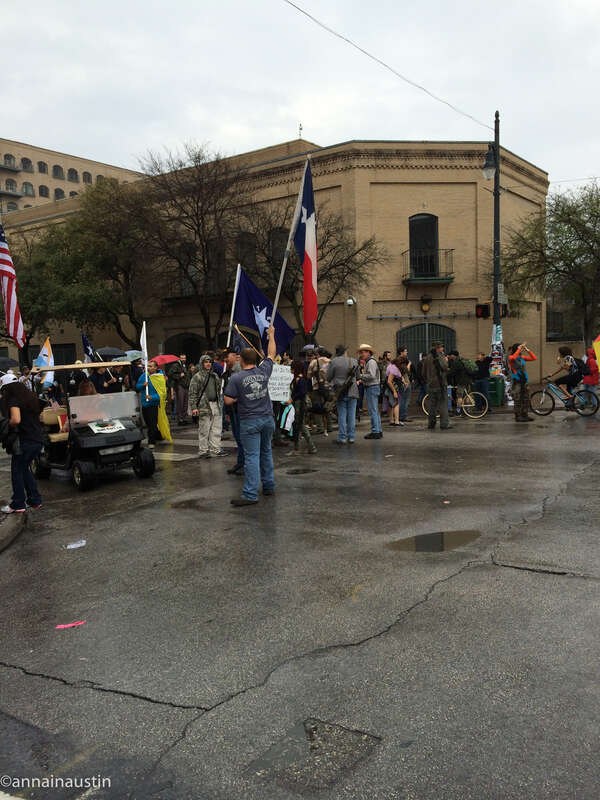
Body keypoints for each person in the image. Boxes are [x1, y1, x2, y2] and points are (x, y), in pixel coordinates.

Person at [224, 325, 277, 507]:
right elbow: (271, 354)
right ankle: (268, 485)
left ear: (242, 361)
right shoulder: (264, 370)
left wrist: (239, 396)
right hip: (267, 418)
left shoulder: (237, 378)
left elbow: (228, 400)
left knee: (252, 456)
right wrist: (271, 335)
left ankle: (250, 493)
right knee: (266, 452)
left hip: (250, 421)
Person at [0, 374, 43, 513]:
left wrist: (6, 425)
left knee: (17, 471)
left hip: (25, 441)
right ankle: (34, 500)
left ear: (7, 388)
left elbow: (16, 419)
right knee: (24, 469)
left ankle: (18, 504)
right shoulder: (29, 398)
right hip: (37, 439)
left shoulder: (13, 399)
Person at [188, 355, 226, 459]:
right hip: (204, 405)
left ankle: (215, 449)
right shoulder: (197, 377)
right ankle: (203, 450)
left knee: (216, 429)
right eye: (206, 362)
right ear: (202, 363)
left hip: (216, 404)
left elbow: (218, 390)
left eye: (209, 362)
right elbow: (192, 393)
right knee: (204, 430)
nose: (208, 364)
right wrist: (194, 407)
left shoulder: (214, 376)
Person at [326, 344, 360, 444]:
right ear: (345, 351)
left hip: (340, 391)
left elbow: (328, 377)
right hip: (352, 391)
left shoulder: (334, 361)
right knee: (352, 415)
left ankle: (342, 437)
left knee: (342, 415)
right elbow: (358, 376)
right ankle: (351, 437)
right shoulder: (353, 361)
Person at [136, 360, 173, 447]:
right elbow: (137, 387)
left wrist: (152, 397)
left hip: (154, 404)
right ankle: (158, 436)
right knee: (149, 423)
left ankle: (151, 442)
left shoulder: (160, 377)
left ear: (156, 367)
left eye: (151, 366)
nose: (149, 368)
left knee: (152, 423)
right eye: (148, 366)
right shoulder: (144, 376)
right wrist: (142, 385)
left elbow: (163, 394)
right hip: (145, 404)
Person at [286, 359, 317, 455]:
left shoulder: (300, 379)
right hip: (299, 405)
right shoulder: (300, 378)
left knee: (299, 426)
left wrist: (292, 399)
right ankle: (304, 447)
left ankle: (307, 447)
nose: (290, 370)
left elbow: (302, 393)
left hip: (299, 405)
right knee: (299, 426)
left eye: (292, 368)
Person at [222, 350, 244, 475]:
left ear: (235, 356)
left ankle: (243, 464)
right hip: (233, 410)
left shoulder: (238, 371)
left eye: (227, 356)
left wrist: (233, 399)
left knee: (241, 438)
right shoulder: (230, 371)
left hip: (238, 409)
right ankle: (240, 463)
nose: (226, 359)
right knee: (237, 436)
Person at [422, 341, 452, 430]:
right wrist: (446, 361)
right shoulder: (440, 356)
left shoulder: (427, 358)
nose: (443, 349)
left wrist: (428, 380)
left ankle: (431, 424)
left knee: (432, 405)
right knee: (443, 404)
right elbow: (445, 367)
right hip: (441, 384)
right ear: (437, 348)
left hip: (431, 385)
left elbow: (423, 373)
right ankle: (444, 424)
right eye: (441, 347)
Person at [358, 344, 383, 439]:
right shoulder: (370, 361)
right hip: (373, 387)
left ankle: (375, 431)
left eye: (363, 352)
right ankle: (378, 430)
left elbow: (371, 376)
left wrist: (360, 376)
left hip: (372, 387)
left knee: (373, 410)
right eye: (361, 352)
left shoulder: (371, 362)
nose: (361, 354)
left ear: (368, 352)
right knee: (375, 410)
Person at [508, 343, 536, 422]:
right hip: (517, 381)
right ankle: (518, 416)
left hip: (524, 380)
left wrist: (528, 350)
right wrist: (519, 349)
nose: (521, 350)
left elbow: (534, 358)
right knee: (517, 399)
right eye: (520, 348)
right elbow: (513, 358)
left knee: (526, 398)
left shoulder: (522, 357)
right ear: (516, 349)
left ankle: (525, 414)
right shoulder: (511, 357)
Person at [308, 347, 332, 435]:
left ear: (318, 354)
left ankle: (320, 427)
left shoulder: (314, 362)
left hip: (317, 387)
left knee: (317, 407)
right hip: (328, 387)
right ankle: (329, 426)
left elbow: (308, 375)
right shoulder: (330, 362)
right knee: (327, 407)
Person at [447, 350, 473, 417]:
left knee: (459, 396)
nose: (450, 356)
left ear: (453, 355)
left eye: (450, 355)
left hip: (461, 381)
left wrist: (445, 375)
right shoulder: (462, 360)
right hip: (467, 380)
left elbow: (451, 372)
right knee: (466, 395)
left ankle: (458, 411)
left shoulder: (456, 362)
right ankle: (467, 410)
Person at [169, 354, 192, 426]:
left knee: (185, 403)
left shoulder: (185, 366)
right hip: (180, 386)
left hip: (186, 386)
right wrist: (179, 375)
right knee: (180, 403)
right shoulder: (176, 365)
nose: (183, 359)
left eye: (184, 358)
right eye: (182, 358)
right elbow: (170, 374)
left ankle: (183, 418)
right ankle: (180, 419)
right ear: (179, 358)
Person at [395, 346, 412, 422]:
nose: (406, 352)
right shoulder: (400, 360)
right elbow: (405, 371)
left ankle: (402, 415)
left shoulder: (401, 360)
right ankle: (402, 416)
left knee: (404, 399)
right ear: (401, 352)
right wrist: (409, 364)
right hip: (404, 382)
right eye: (405, 351)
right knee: (404, 400)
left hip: (405, 381)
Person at [385, 358, 403, 427]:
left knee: (391, 404)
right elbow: (389, 381)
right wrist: (394, 391)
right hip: (393, 388)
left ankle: (391, 420)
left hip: (389, 388)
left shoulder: (390, 366)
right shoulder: (394, 369)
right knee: (396, 404)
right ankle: (397, 421)